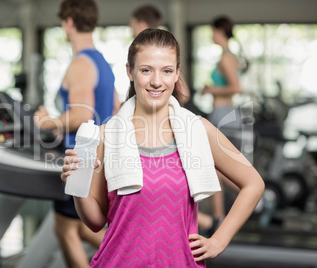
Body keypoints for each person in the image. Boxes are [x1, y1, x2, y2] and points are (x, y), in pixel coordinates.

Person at [61, 28, 264, 267]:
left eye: (167, 71)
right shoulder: (107, 136)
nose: (157, 81)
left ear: (177, 73)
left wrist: (219, 240)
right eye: (146, 70)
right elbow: (95, 222)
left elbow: (253, 183)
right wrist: (77, 186)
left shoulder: (199, 130)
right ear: (130, 71)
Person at [34, 0, 119, 267]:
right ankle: (131, 253)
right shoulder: (103, 63)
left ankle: (130, 253)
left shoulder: (80, 63)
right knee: (82, 227)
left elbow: (83, 114)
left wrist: (46, 122)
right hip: (99, 156)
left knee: (65, 229)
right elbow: (115, 110)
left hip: (81, 156)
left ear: (69, 22)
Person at [199, 15, 247, 234]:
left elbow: (236, 88)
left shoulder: (227, 57)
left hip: (224, 114)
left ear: (219, 31)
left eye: (213, 31)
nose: (211, 35)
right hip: (220, 113)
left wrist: (211, 90)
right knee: (215, 168)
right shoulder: (227, 56)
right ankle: (218, 218)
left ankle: (254, 194)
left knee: (220, 167)